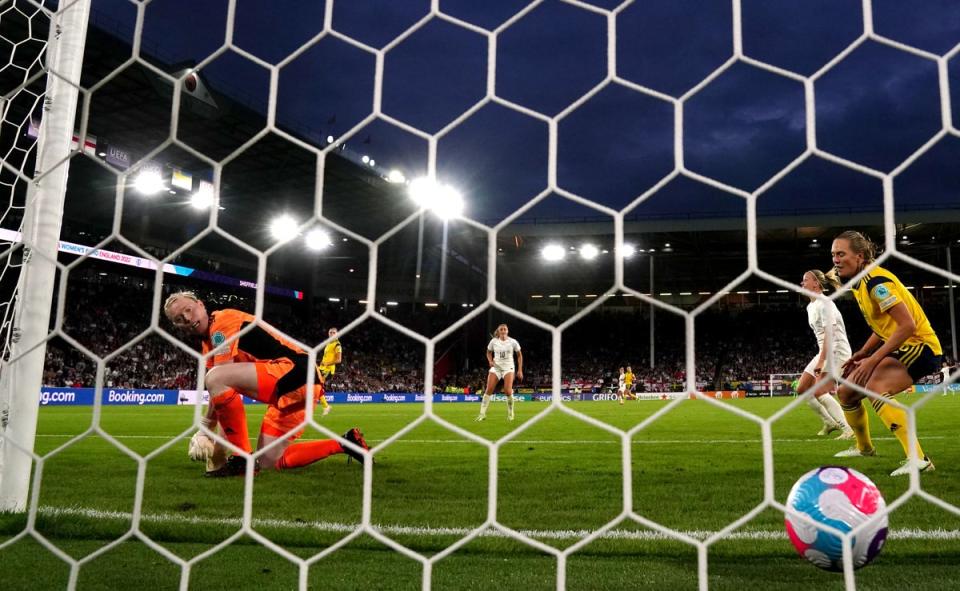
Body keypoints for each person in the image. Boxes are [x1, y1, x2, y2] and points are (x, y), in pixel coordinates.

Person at [164, 291, 368, 476]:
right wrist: (213, 446)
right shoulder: (207, 345)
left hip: (293, 371)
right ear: (177, 327)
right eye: (179, 319)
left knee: (216, 377)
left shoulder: (221, 323)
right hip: (299, 385)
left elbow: (218, 382)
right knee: (268, 460)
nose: (188, 319)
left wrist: (205, 431)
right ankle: (346, 443)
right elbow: (223, 402)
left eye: (188, 310)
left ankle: (242, 460)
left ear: (201, 304)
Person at [829, 231, 942, 476]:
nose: (836, 260)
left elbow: (907, 326)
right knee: (846, 392)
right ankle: (864, 448)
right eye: (833, 255)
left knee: (874, 386)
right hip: (901, 345)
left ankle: (920, 460)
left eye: (841, 254)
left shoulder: (876, 283)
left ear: (859, 256)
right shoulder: (860, 283)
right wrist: (862, 353)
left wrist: (873, 360)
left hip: (920, 347)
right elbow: (883, 327)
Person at [797, 270, 854, 439]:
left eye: (805, 280)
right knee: (802, 389)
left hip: (836, 350)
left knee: (820, 390)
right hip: (824, 350)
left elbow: (830, 334)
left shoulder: (825, 303)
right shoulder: (810, 306)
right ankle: (830, 422)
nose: (802, 283)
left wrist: (821, 361)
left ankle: (847, 429)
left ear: (816, 284)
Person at [476, 323, 523, 421]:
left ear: (507, 331)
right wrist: (490, 361)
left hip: (508, 367)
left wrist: (520, 370)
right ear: (498, 332)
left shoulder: (513, 342)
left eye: (505, 329)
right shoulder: (493, 341)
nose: (503, 331)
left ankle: (511, 414)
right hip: (496, 367)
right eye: (501, 329)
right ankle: (482, 414)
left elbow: (519, 355)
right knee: (488, 390)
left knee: (507, 391)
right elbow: (488, 352)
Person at [316, 327, 342, 416]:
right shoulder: (328, 344)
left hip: (328, 370)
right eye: (330, 332)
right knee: (315, 386)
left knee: (315, 385)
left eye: (334, 332)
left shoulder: (337, 345)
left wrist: (327, 363)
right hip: (322, 368)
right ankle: (326, 406)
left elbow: (339, 360)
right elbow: (326, 356)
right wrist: (322, 363)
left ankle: (326, 406)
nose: (331, 334)